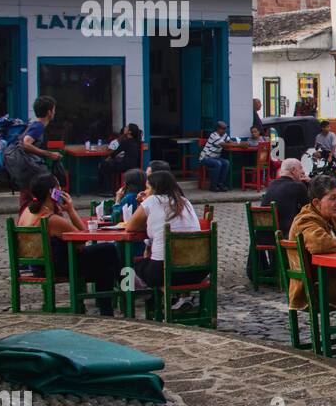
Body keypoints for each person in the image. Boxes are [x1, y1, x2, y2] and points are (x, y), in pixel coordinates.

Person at [15, 172, 119, 315]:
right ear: (52, 192)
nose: (62, 191)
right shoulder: (51, 219)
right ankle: (126, 291)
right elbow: (83, 236)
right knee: (109, 250)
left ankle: (111, 303)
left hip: (39, 265)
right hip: (57, 266)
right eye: (59, 188)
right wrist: (70, 209)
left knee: (106, 266)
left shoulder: (28, 211)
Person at [284, 175, 336, 316]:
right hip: (320, 287)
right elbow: (320, 244)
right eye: (332, 198)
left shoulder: (331, 218)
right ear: (317, 202)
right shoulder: (306, 220)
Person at [125, 170, 203, 305]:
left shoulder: (152, 200)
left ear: (156, 188)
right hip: (197, 270)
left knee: (131, 265)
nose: (146, 191)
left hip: (166, 271)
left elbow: (130, 226)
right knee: (153, 262)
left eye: (148, 188)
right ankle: (180, 297)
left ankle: (130, 302)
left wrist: (142, 204)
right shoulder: (184, 201)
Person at [17, 95, 63, 212]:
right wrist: (49, 154)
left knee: (26, 198)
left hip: (25, 169)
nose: (54, 112)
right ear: (49, 112)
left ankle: (24, 223)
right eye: (54, 109)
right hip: (32, 169)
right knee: (55, 186)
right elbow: (26, 143)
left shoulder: (33, 125)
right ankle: (57, 210)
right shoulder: (38, 126)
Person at [262, 157, 311, 237]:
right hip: (284, 235)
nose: (303, 171)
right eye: (301, 168)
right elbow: (308, 208)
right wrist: (309, 183)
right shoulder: (298, 186)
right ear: (293, 170)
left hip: (263, 236)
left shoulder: (272, 184)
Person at [96, 123, 141, 195]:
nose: (124, 128)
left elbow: (114, 153)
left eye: (126, 127)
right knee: (108, 165)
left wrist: (109, 157)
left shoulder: (126, 141)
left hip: (125, 166)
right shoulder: (137, 141)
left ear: (130, 132)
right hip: (134, 165)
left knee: (104, 165)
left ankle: (107, 190)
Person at [200, 121, 234, 192]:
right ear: (218, 128)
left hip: (216, 157)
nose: (224, 130)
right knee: (218, 164)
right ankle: (213, 186)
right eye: (222, 128)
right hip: (205, 158)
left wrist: (234, 143)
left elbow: (230, 142)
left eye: (225, 129)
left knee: (226, 163)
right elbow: (223, 144)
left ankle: (220, 184)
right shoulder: (214, 135)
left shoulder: (224, 135)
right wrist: (240, 145)